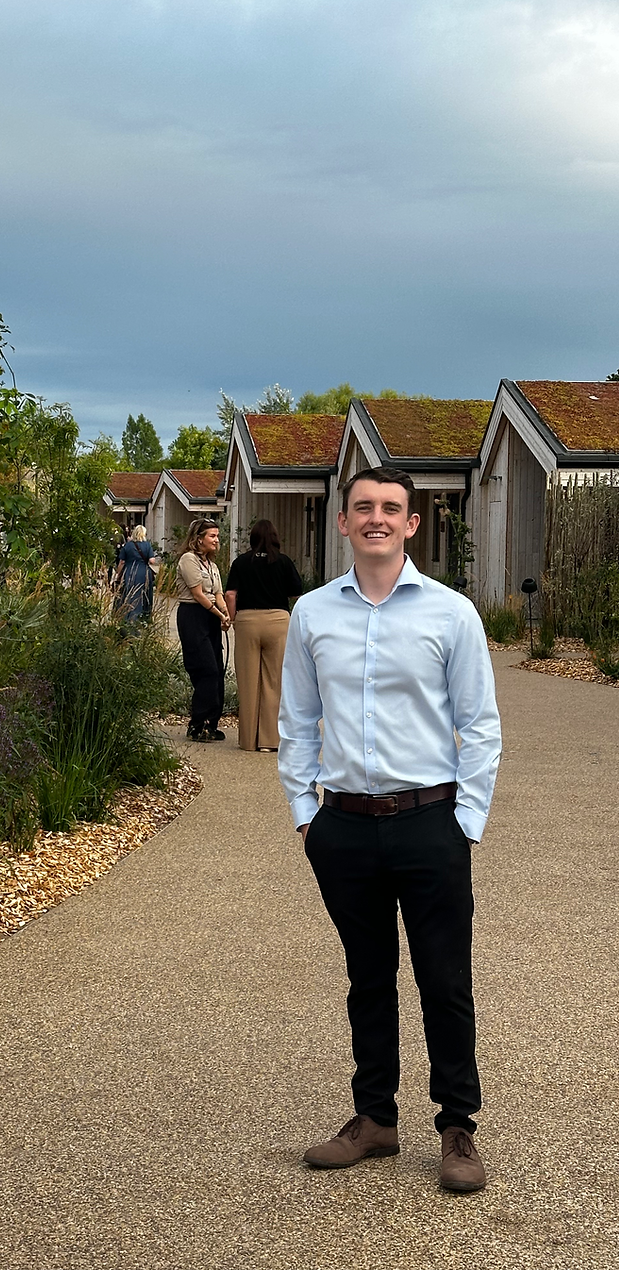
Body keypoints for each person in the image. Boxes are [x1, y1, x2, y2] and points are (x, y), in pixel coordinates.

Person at [278, 466, 501, 1194]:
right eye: (363, 507)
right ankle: (374, 1117)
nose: (376, 517)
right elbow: (297, 719)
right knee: (366, 977)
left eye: (391, 508)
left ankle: (457, 1125)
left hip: (430, 822)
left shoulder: (451, 614)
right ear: (343, 521)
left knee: (445, 977)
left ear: (411, 523)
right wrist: (306, 815)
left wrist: (465, 822)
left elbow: (480, 724)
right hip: (343, 827)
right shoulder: (313, 613)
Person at [224, 519, 303, 752]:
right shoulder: (284, 561)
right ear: (275, 537)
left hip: (248, 621)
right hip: (278, 621)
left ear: (253, 538)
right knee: (274, 681)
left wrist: (233, 619)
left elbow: (230, 594)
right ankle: (269, 740)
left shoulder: (241, 562)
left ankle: (249, 740)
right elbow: (297, 594)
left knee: (248, 682)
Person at [175, 518, 231, 742]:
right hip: (193, 615)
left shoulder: (212, 566)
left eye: (217, 536)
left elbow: (218, 594)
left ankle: (211, 723)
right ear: (198, 539)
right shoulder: (188, 560)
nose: (216, 540)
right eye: (212, 536)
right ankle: (198, 723)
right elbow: (198, 594)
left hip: (210, 616)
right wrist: (218, 613)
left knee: (217, 669)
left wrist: (225, 614)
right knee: (205, 668)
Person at [115, 525, 156, 622]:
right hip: (144, 573)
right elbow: (152, 561)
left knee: (128, 594)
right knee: (145, 594)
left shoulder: (128, 545)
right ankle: (144, 617)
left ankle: (126, 617)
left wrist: (118, 574)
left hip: (129, 572)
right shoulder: (147, 545)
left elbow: (122, 562)